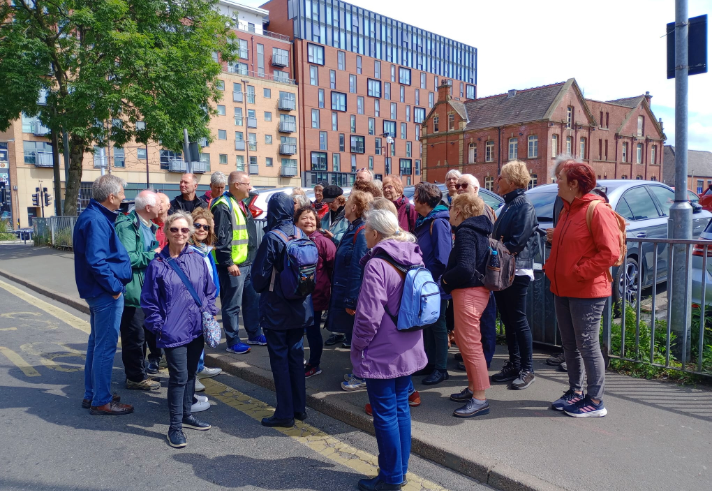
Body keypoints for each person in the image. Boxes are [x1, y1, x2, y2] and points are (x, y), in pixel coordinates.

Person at [351, 209, 428, 491]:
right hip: (409, 343)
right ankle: (399, 471)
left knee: (385, 413)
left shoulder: (377, 264)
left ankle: (392, 478)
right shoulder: (413, 254)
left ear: (374, 233)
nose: (365, 235)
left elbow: (368, 316)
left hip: (382, 348)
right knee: (400, 409)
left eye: (366, 230)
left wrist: (358, 346)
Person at [546, 162, 619, 418]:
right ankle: (575, 392)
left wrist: (579, 272)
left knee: (587, 344)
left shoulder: (596, 210)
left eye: (560, 178)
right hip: (563, 287)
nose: (557, 181)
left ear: (574, 184)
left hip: (586, 290)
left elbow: (610, 252)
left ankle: (596, 400)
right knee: (570, 344)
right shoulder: (568, 210)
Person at [141, 211, 217, 448]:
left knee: (192, 373)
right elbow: (149, 302)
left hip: (196, 329)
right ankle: (174, 427)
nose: (180, 234)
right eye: (175, 229)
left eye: (185, 230)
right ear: (166, 231)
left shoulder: (196, 258)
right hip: (172, 332)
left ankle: (186, 414)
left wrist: (209, 312)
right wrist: (160, 327)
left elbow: (209, 290)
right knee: (179, 377)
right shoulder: (157, 264)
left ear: (191, 232)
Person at [252, 193, 313, 428]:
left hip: (277, 308)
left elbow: (259, 279)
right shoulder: (300, 233)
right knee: (296, 359)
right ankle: (299, 408)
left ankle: (284, 413)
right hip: (300, 307)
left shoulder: (272, 237)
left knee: (280, 360)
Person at [74, 175, 133, 415]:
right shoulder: (97, 220)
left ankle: (94, 394)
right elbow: (97, 261)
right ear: (111, 197)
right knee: (105, 347)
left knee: (96, 344)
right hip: (105, 293)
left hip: (99, 291)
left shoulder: (93, 216)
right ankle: (101, 399)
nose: (123, 198)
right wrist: (115, 288)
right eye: (121, 194)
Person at [441, 194, 493, 418]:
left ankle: (479, 398)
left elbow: (464, 268)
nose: (449, 211)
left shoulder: (465, 232)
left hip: (468, 293)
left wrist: (444, 279)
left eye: (451, 207)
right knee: (466, 342)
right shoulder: (479, 229)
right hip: (477, 291)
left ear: (460, 211)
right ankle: (473, 389)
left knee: (470, 345)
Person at [490, 161, 539, 390]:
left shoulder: (524, 206)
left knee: (518, 320)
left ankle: (527, 368)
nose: (496, 180)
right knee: (508, 320)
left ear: (510, 181)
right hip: (504, 268)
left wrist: (493, 248)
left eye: (500, 177)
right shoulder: (509, 204)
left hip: (517, 270)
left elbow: (516, 242)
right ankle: (514, 363)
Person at [212, 171, 265, 354]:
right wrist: (228, 262)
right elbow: (221, 238)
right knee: (232, 305)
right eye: (247, 184)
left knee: (252, 301)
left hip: (247, 263)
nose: (250, 187)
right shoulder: (222, 206)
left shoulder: (240, 203)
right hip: (234, 265)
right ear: (236, 185)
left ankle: (254, 333)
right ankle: (233, 341)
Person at [115, 190, 162, 391]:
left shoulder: (147, 225)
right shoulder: (128, 225)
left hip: (145, 290)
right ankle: (134, 377)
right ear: (148, 208)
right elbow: (127, 258)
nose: (162, 207)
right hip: (133, 291)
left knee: (142, 335)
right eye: (159, 203)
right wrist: (153, 255)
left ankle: (139, 373)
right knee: (134, 337)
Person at [327, 191, 373, 388]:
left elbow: (358, 267)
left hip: (354, 294)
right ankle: (360, 372)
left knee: (359, 337)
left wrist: (352, 300)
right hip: (347, 290)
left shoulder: (361, 231)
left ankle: (362, 375)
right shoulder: (354, 228)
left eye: (348, 204)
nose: (344, 206)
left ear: (354, 208)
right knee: (355, 335)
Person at [454, 173, 497, 368]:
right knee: (475, 329)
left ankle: (481, 363)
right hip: (479, 277)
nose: (459, 188)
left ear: (476, 189)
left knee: (482, 326)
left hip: (479, 278)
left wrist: (446, 280)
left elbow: (468, 262)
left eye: (464, 185)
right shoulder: (468, 220)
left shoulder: (479, 213)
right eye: (458, 185)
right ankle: (476, 362)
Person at [412, 183, 452, 385]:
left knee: (438, 325)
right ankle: (429, 363)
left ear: (424, 200)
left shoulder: (437, 223)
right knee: (428, 324)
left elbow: (443, 258)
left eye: (416, 196)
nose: (413, 200)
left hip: (434, 284)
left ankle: (441, 368)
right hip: (426, 282)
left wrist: (426, 278)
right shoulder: (425, 220)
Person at [295, 207, 336, 379]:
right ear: (296, 222)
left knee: (312, 331)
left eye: (312, 218)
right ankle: (298, 360)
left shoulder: (323, 241)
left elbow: (333, 266)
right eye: (305, 218)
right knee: (297, 329)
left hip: (316, 294)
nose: (309, 221)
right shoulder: (292, 239)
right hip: (295, 294)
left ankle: (314, 363)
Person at [189, 208, 223, 392]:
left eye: (206, 227)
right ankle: (191, 377)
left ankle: (199, 368)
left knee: (199, 338)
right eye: (198, 225)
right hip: (193, 303)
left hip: (206, 301)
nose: (202, 229)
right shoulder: (189, 250)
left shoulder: (206, 249)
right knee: (192, 340)